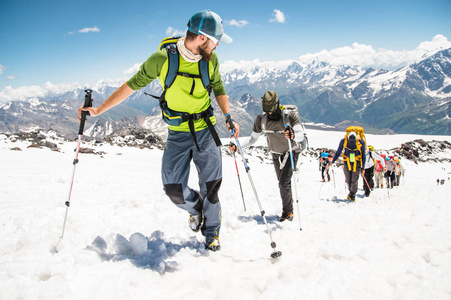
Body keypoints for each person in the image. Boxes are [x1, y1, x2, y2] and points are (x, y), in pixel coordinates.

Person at [78, 10, 239, 252]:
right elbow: (131, 85)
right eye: (216, 41)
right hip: (177, 134)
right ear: (202, 39)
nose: (218, 46)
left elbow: (218, 86)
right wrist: (99, 110)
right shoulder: (162, 59)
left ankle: (212, 232)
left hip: (206, 130)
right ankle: (196, 208)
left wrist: (228, 115)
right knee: (173, 189)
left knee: (212, 187)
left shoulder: (211, 60)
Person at [229, 91, 305, 222]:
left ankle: (287, 211)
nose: (270, 113)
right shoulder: (261, 120)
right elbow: (253, 139)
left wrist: (292, 135)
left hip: (291, 152)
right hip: (275, 153)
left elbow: (300, 135)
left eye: (272, 109)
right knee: (283, 183)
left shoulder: (289, 116)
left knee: (283, 183)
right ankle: (288, 209)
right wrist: (238, 146)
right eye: (267, 110)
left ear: (277, 104)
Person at [330, 131, 366, 201]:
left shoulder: (345, 141)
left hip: (350, 163)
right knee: (350, 180)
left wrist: (333, 160)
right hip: (351, 163)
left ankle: (352, 195)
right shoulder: (360, 142)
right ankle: (351, 193)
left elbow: (338, 152)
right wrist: (363, 167)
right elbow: (363, 156)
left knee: (353, 180)